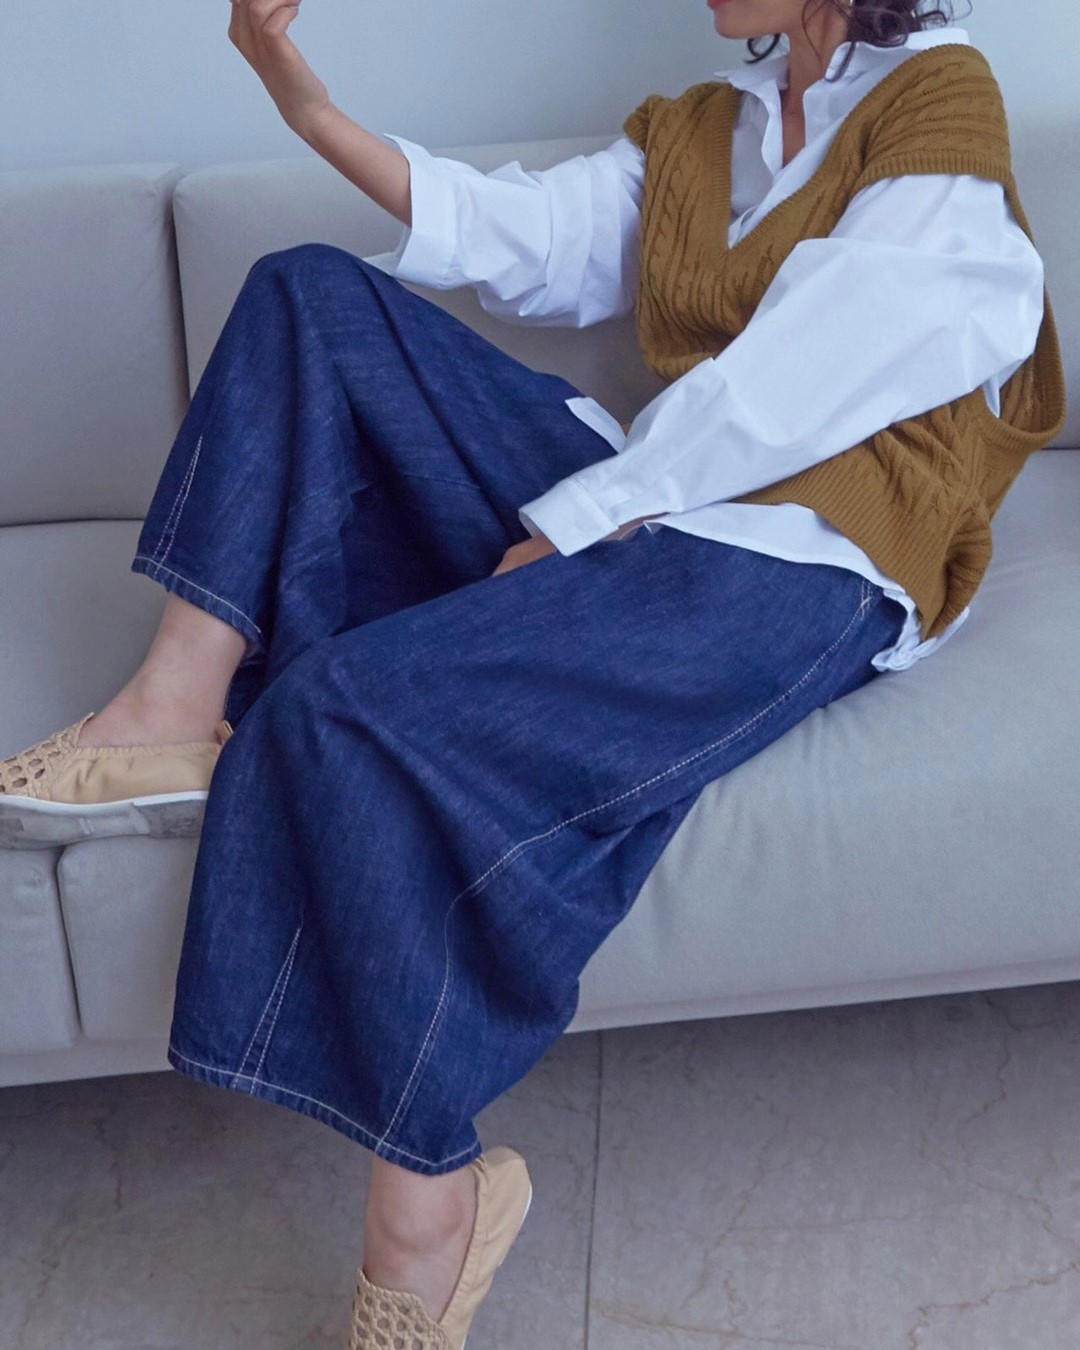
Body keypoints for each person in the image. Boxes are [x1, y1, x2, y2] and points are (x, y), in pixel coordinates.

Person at [0, 0, 1066, 1345]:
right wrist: (309, 110)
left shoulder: (937, 98)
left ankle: (430, 1200)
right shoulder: (708, 127)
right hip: (661, 497)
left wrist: (578, 520)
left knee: (346, 709)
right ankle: (171, 708)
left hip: (812, 554)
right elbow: (533, 239)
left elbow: (821, 367)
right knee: (306, 293)